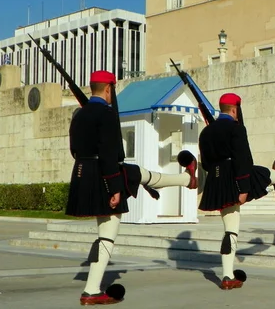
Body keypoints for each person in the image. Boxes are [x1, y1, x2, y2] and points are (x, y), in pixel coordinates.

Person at [66, 70, 198, 305]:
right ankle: (92, 291)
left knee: (139, 175)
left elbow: (74, 150)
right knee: (107, 235)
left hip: (82, 172)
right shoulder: (105, 114)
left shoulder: (78, 115)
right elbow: (108, 153)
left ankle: (186, 180)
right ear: (108, 89)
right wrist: (114, 187)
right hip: (104, 174)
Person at [198, 93, 275, 290]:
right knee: (264, 174)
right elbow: (243, 159)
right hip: (234, 177)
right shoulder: (236, 128)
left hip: (216, 181)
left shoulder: (206, 132)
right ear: (234, 110)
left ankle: (227, 276)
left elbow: (207, 163)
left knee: (230, 228)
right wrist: (243, 188)